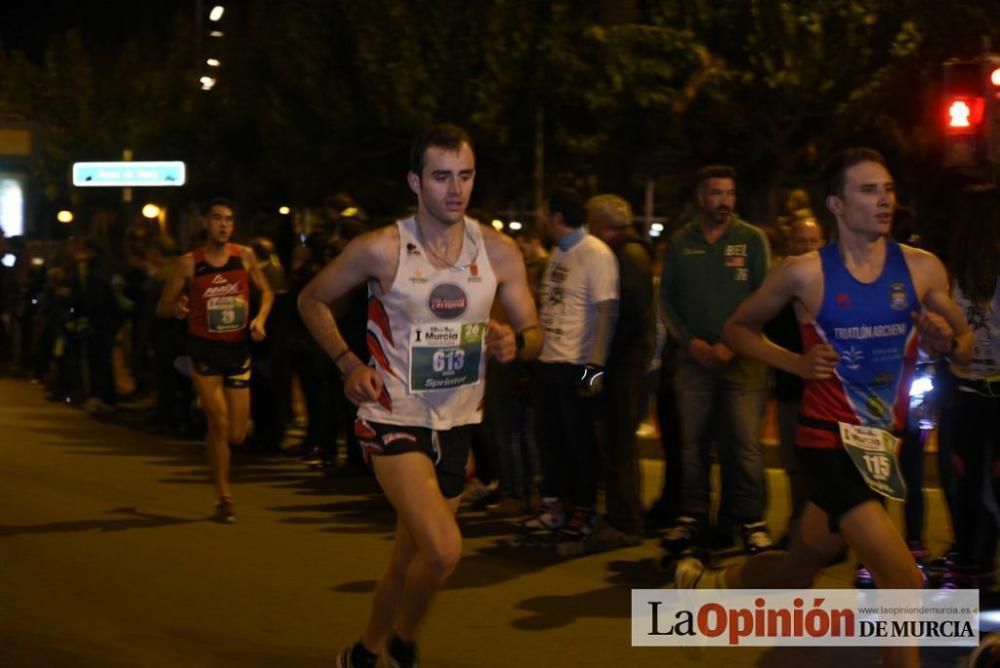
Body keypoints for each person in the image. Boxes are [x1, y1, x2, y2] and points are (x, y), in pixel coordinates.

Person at [675, 148, 972, 668]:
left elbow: (967, 343)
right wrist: (795, 363)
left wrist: (944, 340)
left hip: (882, 445)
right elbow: (736, 330)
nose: (884, 200)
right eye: (868, 190)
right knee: (901, 578)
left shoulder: (922, 269)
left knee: (798, 568)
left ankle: (707, 585)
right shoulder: (803, 273)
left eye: (888, 189)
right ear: (836, 204)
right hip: (827, 441)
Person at [297, 123, 541, 668]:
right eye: (440, 177)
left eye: (465, 176)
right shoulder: (381, 250)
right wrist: (348, 362)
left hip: (457, 422)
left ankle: (373, 647)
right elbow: (312, 299)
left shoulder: (498, 252)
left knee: (409, 558)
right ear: (415, 181)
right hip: (392, 414)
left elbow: (533, 334)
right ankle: (402, 641)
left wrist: (513, 341)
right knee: (445, 548)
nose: (454, 189)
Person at [660, 165, 774, 553]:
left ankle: (751, 522)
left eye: (729, 193)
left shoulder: (753, 239)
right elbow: (668, 301)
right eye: (716, 193)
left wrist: (733, 344)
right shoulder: (681, 242)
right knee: (693, 446)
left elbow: (765, 298)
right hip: (694, 363)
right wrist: (689, 342)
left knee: (744, 446)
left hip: (743, 362)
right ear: (700, 197)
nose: (724, 201)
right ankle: (692, 518)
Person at [157, 198, 273, 523]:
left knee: (236, 434)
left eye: (229, 220)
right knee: (219, 424)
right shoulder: (188, 263)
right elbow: (162, 307)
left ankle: (205, 405)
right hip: (203, 349)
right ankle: (224, 497)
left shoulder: (244, 256)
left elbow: (267, 293)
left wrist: (260, 320)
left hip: (237, 350)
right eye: (217, 218)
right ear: (205, 223)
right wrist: (177, 309)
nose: (223, 225)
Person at [519, 187, 618, 544]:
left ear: (557, 217)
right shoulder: (559, 254)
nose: (541, 219)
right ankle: (553, 507)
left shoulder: (595, 253)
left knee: (580, 444)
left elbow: (607, 312)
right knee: (550, 441)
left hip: (576, 363)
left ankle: (584, 511)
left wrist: (595, 368)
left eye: (544, 212)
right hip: (549, 361)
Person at [584, 194, 655, 548]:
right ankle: (622, 514)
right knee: (614, 438)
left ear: (601, 224)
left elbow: (627, 317)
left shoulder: (628, 256)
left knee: (619, 439)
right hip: (620, 361)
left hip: (622, 364)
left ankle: (625, 520)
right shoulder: (628, 253)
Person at [942, 185, 1000, 588]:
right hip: (968, 392)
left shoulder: (954, 273)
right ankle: (972, 557)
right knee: (970, 478)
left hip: (975, 393)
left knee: (973, 478)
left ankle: (974, 557)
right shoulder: (951, 275)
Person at [763, 216, 826, 542]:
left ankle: (825, 534)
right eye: (798, 241)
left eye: (811, 241)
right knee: (793, 463)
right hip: (791, 388)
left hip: (828, 392)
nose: (804, 247)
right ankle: (797, 526)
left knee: (824, 467)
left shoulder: (832, 282)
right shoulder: (780, 284)